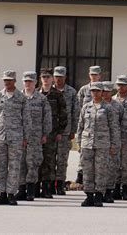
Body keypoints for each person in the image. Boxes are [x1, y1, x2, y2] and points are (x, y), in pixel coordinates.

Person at [0, 70, 32, 205]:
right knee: (0, 166)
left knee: (14, 166)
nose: (7, 82)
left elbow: (26, 119)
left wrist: (26, 137)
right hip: (0, 136)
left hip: (16, 136)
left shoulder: (21, 97)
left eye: (9, 80)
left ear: (14, 81)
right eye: (5, 80)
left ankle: (11, 194)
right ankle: (2, 193)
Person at [76, 82, 119, 207]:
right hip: (87, 144)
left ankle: (99, 195)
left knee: (101, 170)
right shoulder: (86, 107)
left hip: (103, 144)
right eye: (93, 91)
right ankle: (89, 195)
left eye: (97, 91)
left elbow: (114, 128)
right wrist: (79, 143)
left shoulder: (108, 108)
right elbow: (81, 126)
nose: (95, 93)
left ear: (102, 92)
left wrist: (114, 145)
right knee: (87, 170)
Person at [16, 72, 52, 201]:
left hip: (35, 137)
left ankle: (31, 190)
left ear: (35, 82)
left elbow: (47, 117)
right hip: (19, 136)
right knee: (20, 163)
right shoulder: (17, 97)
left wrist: (45, 134)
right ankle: (21, 189)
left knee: (32, 163)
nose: (28, 83)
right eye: (26, 81)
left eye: (30, 81)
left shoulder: (41, 99)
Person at [37, 68, 67, 198]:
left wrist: (60, 131)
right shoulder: (36, 94)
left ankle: (47, 188)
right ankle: (35, 187)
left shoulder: (58, 94)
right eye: (43, 77)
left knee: (49, 161)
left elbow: (63, 115)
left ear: (52, 79)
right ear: (40, 79)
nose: (46, 79)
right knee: (36, 160)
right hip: (36, 134)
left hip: (52, 133)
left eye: (48, 77)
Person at [53, 66, 79, 195]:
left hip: (65, 132)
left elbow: (75, 112)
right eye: (56, 76)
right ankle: (50, 184)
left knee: (62, 160)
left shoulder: (72, 92)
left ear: (65, 77)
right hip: (51, 132)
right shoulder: (48, 91)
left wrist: (73, 130)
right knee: (50, 160)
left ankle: (60, 184)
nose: (58, 79)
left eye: (61, 76)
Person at [75, 66, 102, 184]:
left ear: (100, 75)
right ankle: (81, 175)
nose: (94, 76)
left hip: (100, 127)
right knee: (84, 152)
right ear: (89, 75)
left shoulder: (103, 89)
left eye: (96, 74)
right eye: (92, 74)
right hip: (86, 124)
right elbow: (78, 107)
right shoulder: (83, 90)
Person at [102, 80, 127, 203]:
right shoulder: (96, 105)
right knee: (100, 168)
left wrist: (122, 141)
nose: (105, 94)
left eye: (107, 91)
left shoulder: (118, 106)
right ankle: (98, 192)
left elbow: (124, 125)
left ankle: (108, 192)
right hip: (99, 142)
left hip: (114, 142)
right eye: (103, 91)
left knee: (112, 168)